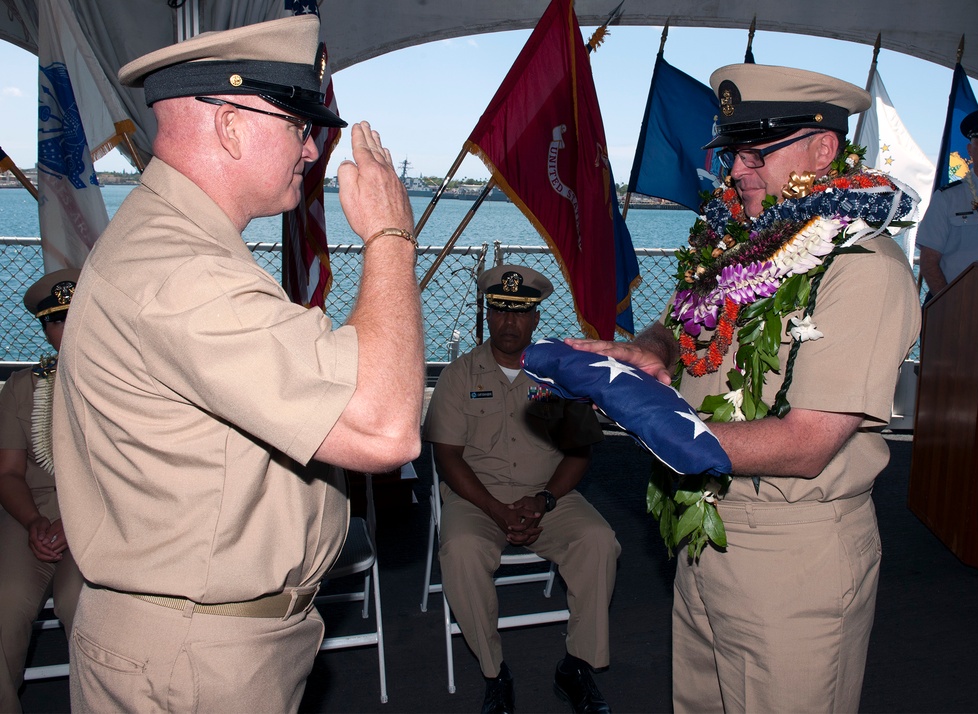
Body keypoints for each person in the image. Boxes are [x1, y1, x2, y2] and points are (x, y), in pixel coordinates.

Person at [51, 15, 424, 713]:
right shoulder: (181, 272)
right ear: (229, 125)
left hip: (205, 638)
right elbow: (385, 427)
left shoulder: (176, 246)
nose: (313, 150)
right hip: (194, 661)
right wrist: (389, 234)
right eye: (298, 126)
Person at [567, 64, 921, 713]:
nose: (736, 171)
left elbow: (808, 443)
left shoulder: (861, 269)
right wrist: (650, 350)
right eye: (732, 152)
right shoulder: (744, 245)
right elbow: (681, 323)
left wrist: (645, 417)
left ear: (823, 148)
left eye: (758, 152)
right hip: (705, 536)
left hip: (793, 554)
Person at [424, 264, 619, 714]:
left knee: (599, 542)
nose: (508, 322)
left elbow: (578, 454)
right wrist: (495, 509)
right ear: (487, 315)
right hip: (477, 499)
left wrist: (544, 500)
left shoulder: (559, 376)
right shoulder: (458, 376)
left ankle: (577, 665)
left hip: (548, 496)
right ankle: (495, 673)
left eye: (519, 313)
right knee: (461, 551)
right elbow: (447, 457)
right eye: (499, 311)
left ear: (535, 319)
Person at [0, 270, 85, 713]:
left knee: (81, 606)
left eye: (75, 315)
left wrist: (74, 523)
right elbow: (9, 472)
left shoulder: (129, 386)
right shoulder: (21, 388)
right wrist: (34, 522)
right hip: (31, 512)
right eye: (55, 320)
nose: (65, 330)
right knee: (3, 605)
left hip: (99, 513)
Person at [917, 108, 978, 298]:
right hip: (959, 305)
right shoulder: (947, 198)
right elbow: (929, 261)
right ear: (970, 150)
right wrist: (947, 305)